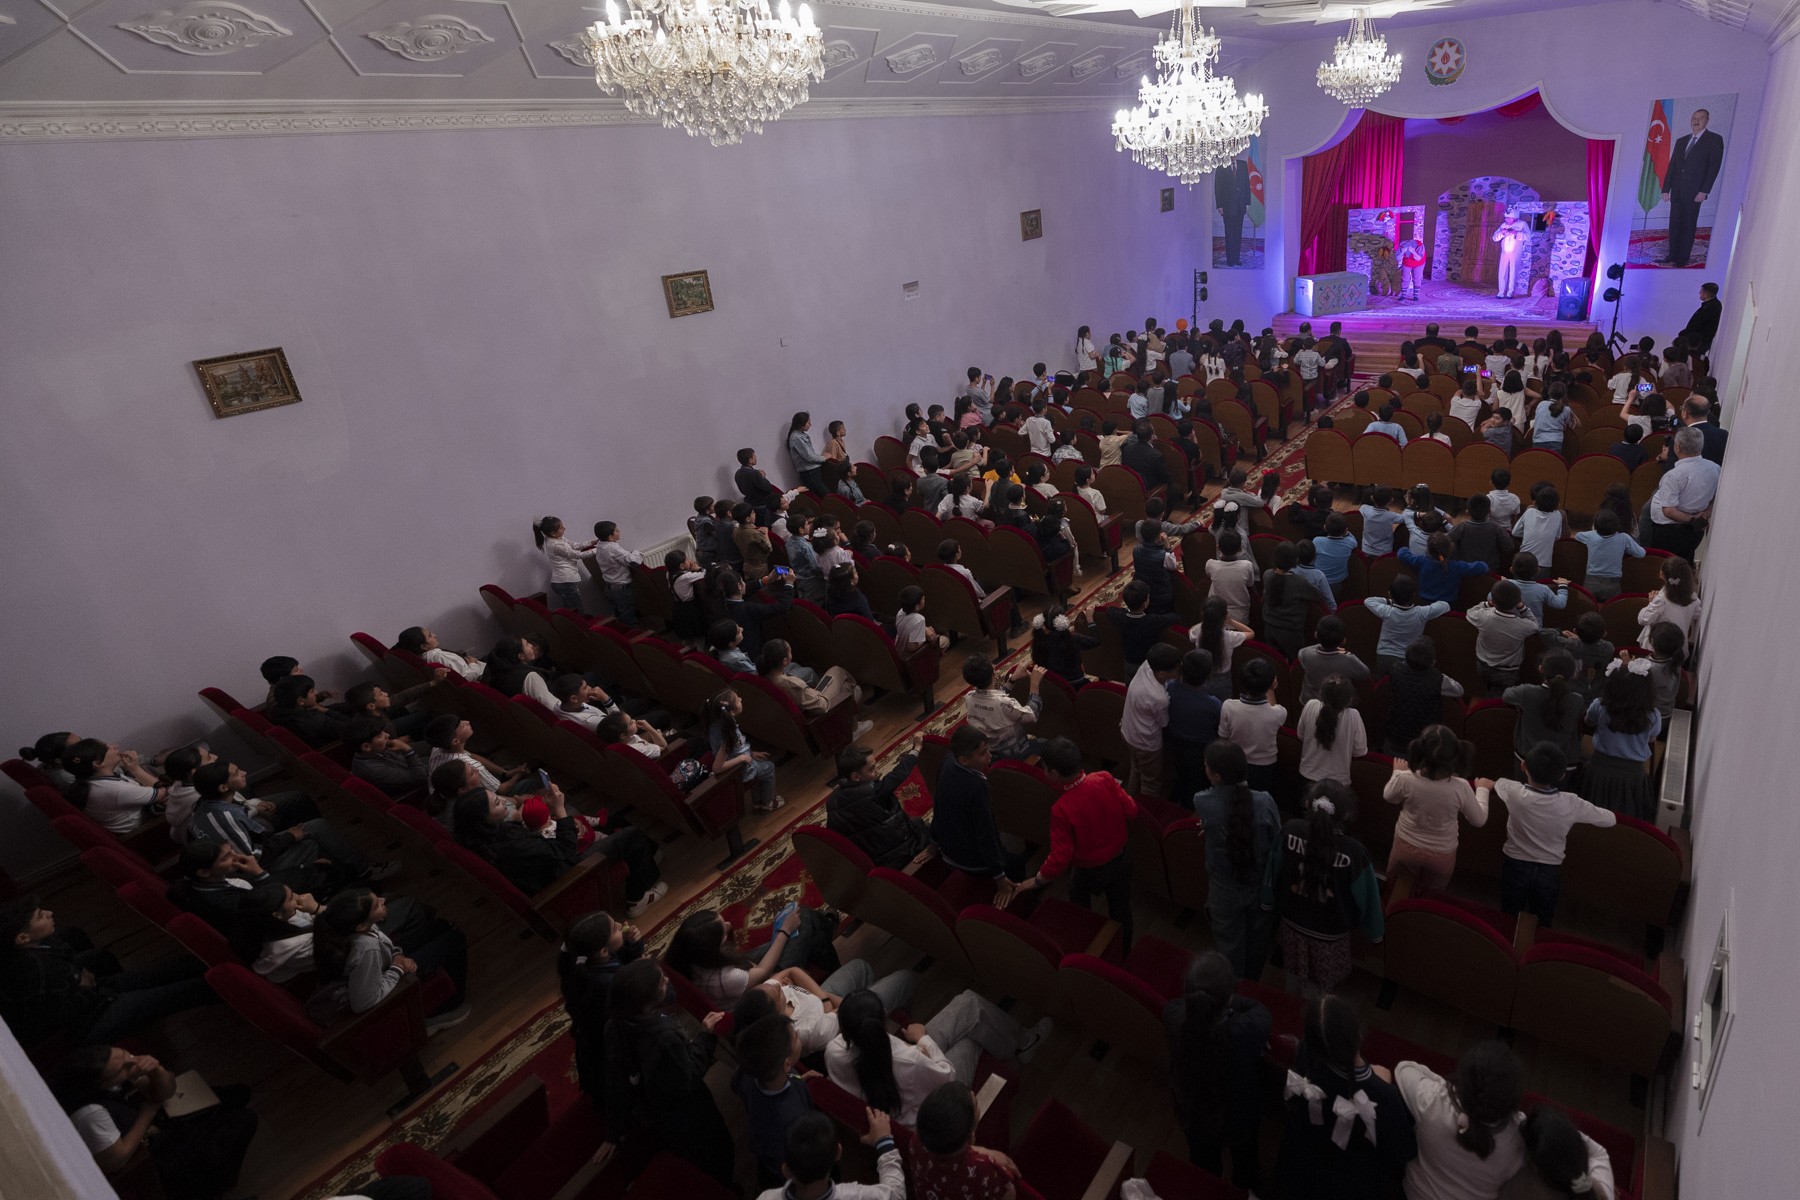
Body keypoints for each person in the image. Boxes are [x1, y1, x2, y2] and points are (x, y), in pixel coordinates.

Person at [0, 896, 215, 1050]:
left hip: (90, 993)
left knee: (165, 971)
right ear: (23, 938)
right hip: (88, 1019)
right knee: (183, 993)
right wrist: (84, 989)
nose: (49, 913)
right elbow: (59, 1018)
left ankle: (208, 966)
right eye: (40, 916)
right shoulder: (35, 972)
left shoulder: (37, 947)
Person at [50, 1045, 258, 1200]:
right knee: (245, 1120)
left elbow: (166, 1092)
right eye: (123, 1068)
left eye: (125, 1054)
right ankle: (213, 1188)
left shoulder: (119, 1071)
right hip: (154, 1157)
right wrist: (148, 1111)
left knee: (237, 1094)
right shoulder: (90, 1114)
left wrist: (156, 1071)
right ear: (102, 1084)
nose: (132, 1062)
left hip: (155, 1121)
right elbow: (115, 1161)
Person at [825, 988, 1047, 1126]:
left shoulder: (833, 1051)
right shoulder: (908, 1060)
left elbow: (883, 1058)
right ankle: (1024, 1043)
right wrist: (923, 1040)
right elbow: (947, 1076)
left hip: (903, 1087)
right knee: (970, 1038)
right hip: (932, 1107)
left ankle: (1020, 1045)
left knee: (968, 1003)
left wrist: (913, 1048)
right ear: (883, 1018)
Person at [601, 958, 735, 1187]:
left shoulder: (614, 1025)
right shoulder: (664, 1039)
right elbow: (690, 1075)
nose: (667, 979)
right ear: (647, 1003)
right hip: (689, 1115)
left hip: (656, 1112)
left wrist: (613, 1130)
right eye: (661, 982)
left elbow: (616, 1080)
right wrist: (705, 1036)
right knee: (717, 1154)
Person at [1274, 994, 1418, 1199]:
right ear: (1358, 1033)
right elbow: (1404, 1150)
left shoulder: (1306, 1053)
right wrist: (1382, 1084)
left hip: (1301, 1163)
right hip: (1349, 1181)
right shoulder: (1383, 1095)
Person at [1007, 738, 1138, 949]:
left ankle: (1086, 943)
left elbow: (1059, 858)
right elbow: (1132, 810)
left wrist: (1037, 880)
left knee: (1078, 902)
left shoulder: (1061, 809)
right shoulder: (1104, 778)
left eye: (1044, 768)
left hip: (1089, 870)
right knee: (1121, 910)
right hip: (1121, 860)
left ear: (1054, 773)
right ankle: (1124, 951)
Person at [1264, 782, 1383, 996]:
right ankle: (1316, 1013)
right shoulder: (1355, 853)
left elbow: (1272, 871)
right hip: (1330, 935)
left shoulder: (1290, 829)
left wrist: (1267, 901)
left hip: (1291, 923)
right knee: (1319, 988)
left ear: (1307, 804)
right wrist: (1375, 933)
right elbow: (1369, 898)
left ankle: (1291, 1005)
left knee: (1292, 973)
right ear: (1346, 815)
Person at [1163, 951, 1269, 1189]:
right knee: (1246, 1166)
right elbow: (1259, 1009)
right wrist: (1231, 1001)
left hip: (1191, 1111)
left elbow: (1181, 1006)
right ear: (1230, 994)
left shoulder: (1172, 1016)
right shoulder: (1246, 1029)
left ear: (1187, 991)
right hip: (1239, 1116)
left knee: (1203, 1169)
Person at [313, 886, 469, 1029]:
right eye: (377, 905)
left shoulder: (358, 928)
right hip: (386, 979)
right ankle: (445, 1008)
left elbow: (385, 945)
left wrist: (397, 955)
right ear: (361, 926)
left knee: (440, 925)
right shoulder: (366, 948)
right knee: (456, 940)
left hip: (385, 964)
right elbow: (362, 1003)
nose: (383, 900)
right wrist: (398, 968)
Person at [1190, 741, 1280, 977]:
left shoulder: (1202, 801)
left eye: (1206, 766)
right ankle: (1252, 982)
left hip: (1223, 888)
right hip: (1259, 885)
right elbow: (1276, 840)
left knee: (1228, 945)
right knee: (1258, 942)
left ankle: (1233, 986)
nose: (1204, 768)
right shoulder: (1265, 802)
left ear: (1217, 776)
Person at [559, 911, 645, 1109]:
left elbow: (621, 957)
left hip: (594, 1042)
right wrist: (640, 973)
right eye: (615, 928)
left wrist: (632, 945)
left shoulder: (584, 965)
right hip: (612, 1049)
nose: (620, 924)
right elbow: (635, 1010)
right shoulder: (609, 985)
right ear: (603, 951)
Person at [1385, 726, 1487, 892]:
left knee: (1394, 890)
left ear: (1419, 751)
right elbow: (1479, 820)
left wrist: (1397, 772)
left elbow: (1389, 796)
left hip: (1405, 845)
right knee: (1431, 896)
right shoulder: (1461, 787)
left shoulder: (1406, 778)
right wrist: (1482, 790)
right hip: (1441, 854)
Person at [931, 726, 1021, 886]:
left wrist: (933, 841)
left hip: (947, 851)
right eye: (983, 753)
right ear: (964, 760)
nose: (990, 755)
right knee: (1018, 865)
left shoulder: (947, 760)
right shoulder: (977, 786)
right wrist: (999, 876)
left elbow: (937, 805)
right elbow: (985, 833)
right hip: (973, 863)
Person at [827, 736, 932, 870]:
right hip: (900, 854)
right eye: (871, 769)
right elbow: (899, 773)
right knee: (937, 831)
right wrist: (916, 748)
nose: (877, 772)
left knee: (916, 822)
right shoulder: (874, 792)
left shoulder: (832, 802)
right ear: (855, 777)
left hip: (872, 861)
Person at [905, 1082, 1021, 1200]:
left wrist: (981, 1150)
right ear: (971, 1133)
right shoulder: (986, 1170)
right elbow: (1009, 1195)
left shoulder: (917, 1141)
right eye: (976, 1105)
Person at [760, 1108, 904, 1200]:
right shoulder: (856, 1196)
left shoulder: (766, 1197)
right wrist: (884, 1142)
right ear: (838, 1153)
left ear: (786, 1170)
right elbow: (896, 1194)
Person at [1582, 655, 1663, 819]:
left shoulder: (1600, 705)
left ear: (1611, 686)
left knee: (1591, 810)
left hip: (1599, 767)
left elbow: (1588, 722)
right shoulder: (1653, 715)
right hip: (1632, 775)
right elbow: (1651, 740)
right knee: (1625, 815)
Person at [1501, 1106, 1619, 1200]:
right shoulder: (1593, 1188)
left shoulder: (1518, 1185)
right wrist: (1561, 1134)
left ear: (1534, 1165)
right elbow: (1599, 1153)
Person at [61, 738, 167, 834]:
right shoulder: (116, 789)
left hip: (140, 809)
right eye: (107, 747)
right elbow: (166, 793)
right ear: (97, 763)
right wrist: (135, 769)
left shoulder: (92, 778)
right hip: (145, 829)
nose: (115, 746)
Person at [1645, 426, 1719, 561]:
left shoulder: (1674, 475)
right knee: (1685, 561)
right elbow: (1717, 497)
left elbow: (1669, 511)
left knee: (1663, 564)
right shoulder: (1715, 468)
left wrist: (1693, 519)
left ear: (1677, 447)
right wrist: (1705, 513)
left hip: (1669, 531)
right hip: (1694, 531)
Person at [1661, 108, 1724, 266]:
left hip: (1695, 192)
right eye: (1694, 118)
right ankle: (1672, 254)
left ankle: (1683, 258)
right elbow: (1673, 166)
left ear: (1707, 120)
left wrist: (1704, 191)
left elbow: (1713, 168)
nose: (1696, 121)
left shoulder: (1714, 140)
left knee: (1688, 224)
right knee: (1675, 224)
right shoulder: (1681, 141)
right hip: (1677, 191)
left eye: (1700, 118)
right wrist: (1666, 189)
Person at [706, 687, 782, 813]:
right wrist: (742, 758)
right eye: (737, 700)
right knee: (769, 768)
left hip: (742, 765)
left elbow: (737, 748)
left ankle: (758, 803)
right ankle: (768, 802)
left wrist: (751, 753)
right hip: (741, 770)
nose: (741, 699)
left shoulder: (717, 724)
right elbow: (717, 768)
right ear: (731, 712)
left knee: (761, 768)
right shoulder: (728, 735)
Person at [1220, 657, 1287, 796]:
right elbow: (1271, 708)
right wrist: (1270, 688)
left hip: (1236, 763)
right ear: (1272, 683)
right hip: (1266, 769)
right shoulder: (1279, 713)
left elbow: (1223, 738)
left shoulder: (1228, 706)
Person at [1120, 644, 1179, 800]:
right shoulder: (1159, 698)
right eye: (1176, 669)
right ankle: (1146, 810)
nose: (1178, 671)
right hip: (1146, 745)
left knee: (1136, 770)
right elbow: (1164, 723)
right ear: (1162, 674)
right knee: (1150, 782)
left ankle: (1130, 801)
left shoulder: (1147, 665)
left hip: (1128, 731)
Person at [961, 655, 1044, 761]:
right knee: (1050, 744)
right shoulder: (1004, 703)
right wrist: (1034, 684)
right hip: (1017, 754)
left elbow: (993, 698)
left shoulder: (969, 698)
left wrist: (1012, 679)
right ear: (994, 674)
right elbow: (1031, 716)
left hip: (992, 751)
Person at [1367, 576, 1450, 678]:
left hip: (1384, 657)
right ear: (1414, 595)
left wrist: (1390, 601)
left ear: (1390, 594)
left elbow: (1368, 601)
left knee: (1384, 685)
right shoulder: (1421, 613)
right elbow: (1445, 605)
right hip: (1409, 659)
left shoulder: (1387, 611)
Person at [1469, 580, 1540, 693]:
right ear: (1518, 601)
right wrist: (1522, 608)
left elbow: (1470, 612)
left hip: (1482, 665)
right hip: (1508, 671)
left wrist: (1487, 604)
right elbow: (1535, 626)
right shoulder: (1522, 625)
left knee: (1486, 689)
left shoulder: (1482, 617)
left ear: (1493, 601)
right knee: (1504, 696)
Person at [1298, 676, 1367, 789]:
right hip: (1338, 783)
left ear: (1321, 693)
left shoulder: (1310, 705)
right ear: (1349, 700)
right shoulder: (1353, 716)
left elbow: (1300, 735)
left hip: (1307, 777)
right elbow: (1360, 751)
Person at [1400, 532, 1490, 607]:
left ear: (1428, 549)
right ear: (1450, 548)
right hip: (1448, 607)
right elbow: (1484, 567)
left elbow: (1401, 553)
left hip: (1424, 604)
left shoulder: (1422, 561)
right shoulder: (1457, 567)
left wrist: (1406, 547)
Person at [347, 718, 428, 798]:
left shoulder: (372, 752)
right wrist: (408, 750)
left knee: (430, 747)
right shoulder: (375, 770)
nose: (387, 735)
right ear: (366, 747)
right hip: (419, 786)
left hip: (413, 768)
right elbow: (421, 778)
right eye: (380, 736)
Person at [534, 516, 597, 614]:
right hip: (565, 582)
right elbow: (577, 555)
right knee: (577, 611)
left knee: (572, 609)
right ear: (553, 533)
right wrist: (597, 549)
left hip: (564, 581)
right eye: (561, 528)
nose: (565, 528)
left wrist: (593, 542)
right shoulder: (556, 545)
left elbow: (575, 545)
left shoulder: (557, 538)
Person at [1637, 555, 1703, 643]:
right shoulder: (1692, 596)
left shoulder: (1661, 599)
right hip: (1681, 645)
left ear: (1662, 575)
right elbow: (1697, 613)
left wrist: (1651, 603)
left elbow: (1643, 620)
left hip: (1659, 646)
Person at [1450, 494, 1513, 573]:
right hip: (1490, 571)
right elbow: (1509, 546)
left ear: (1468, 511)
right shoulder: (1496, 528)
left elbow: (1445, 542)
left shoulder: (1461, 527)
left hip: (1466, 570)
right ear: (1489, 511)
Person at [396, 625, 484, 681]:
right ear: (423, 646)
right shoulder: (440, 657)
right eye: (430, 636)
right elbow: (467, 679)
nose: (435, 635)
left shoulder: (422, 657)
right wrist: (473, 664)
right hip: (481, 675)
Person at [1215, 153, 1252, 266]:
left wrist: (1247, 202)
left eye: (1234, 153)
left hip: (1240, 206)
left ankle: (1236, 259)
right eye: (1231, 153)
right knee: (1229, 234)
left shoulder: (1243, 165)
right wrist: (1219, 205)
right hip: (1227, 207)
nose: (1233, 155)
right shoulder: (1221, 166)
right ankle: (1230, 260)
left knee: (1237, 234)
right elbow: (1217, 187)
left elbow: (1247, 184)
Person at [1492, 209, 1530, 296]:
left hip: (1515, 251)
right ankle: (1501, 292)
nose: (1506, 219)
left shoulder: (1522, 224)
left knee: (1513, 271)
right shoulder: (1503, 225)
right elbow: (1495, 238)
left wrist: (1516, 233)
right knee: (1502, 271)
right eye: (1506, 218)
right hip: (1505, 252)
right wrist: (1502, 233)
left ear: (1514, 218)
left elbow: (1528, 237)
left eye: (1508, 218)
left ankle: (1510, 292)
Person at [1680, 282, 1723, 354]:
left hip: (1697, 342)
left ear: (1706, 294)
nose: (1699, 293)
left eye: (1701, 291)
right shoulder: (1713, 305)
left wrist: (1684, 333)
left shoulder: (1709, 307)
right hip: (1698, 341)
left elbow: (1697, 323)